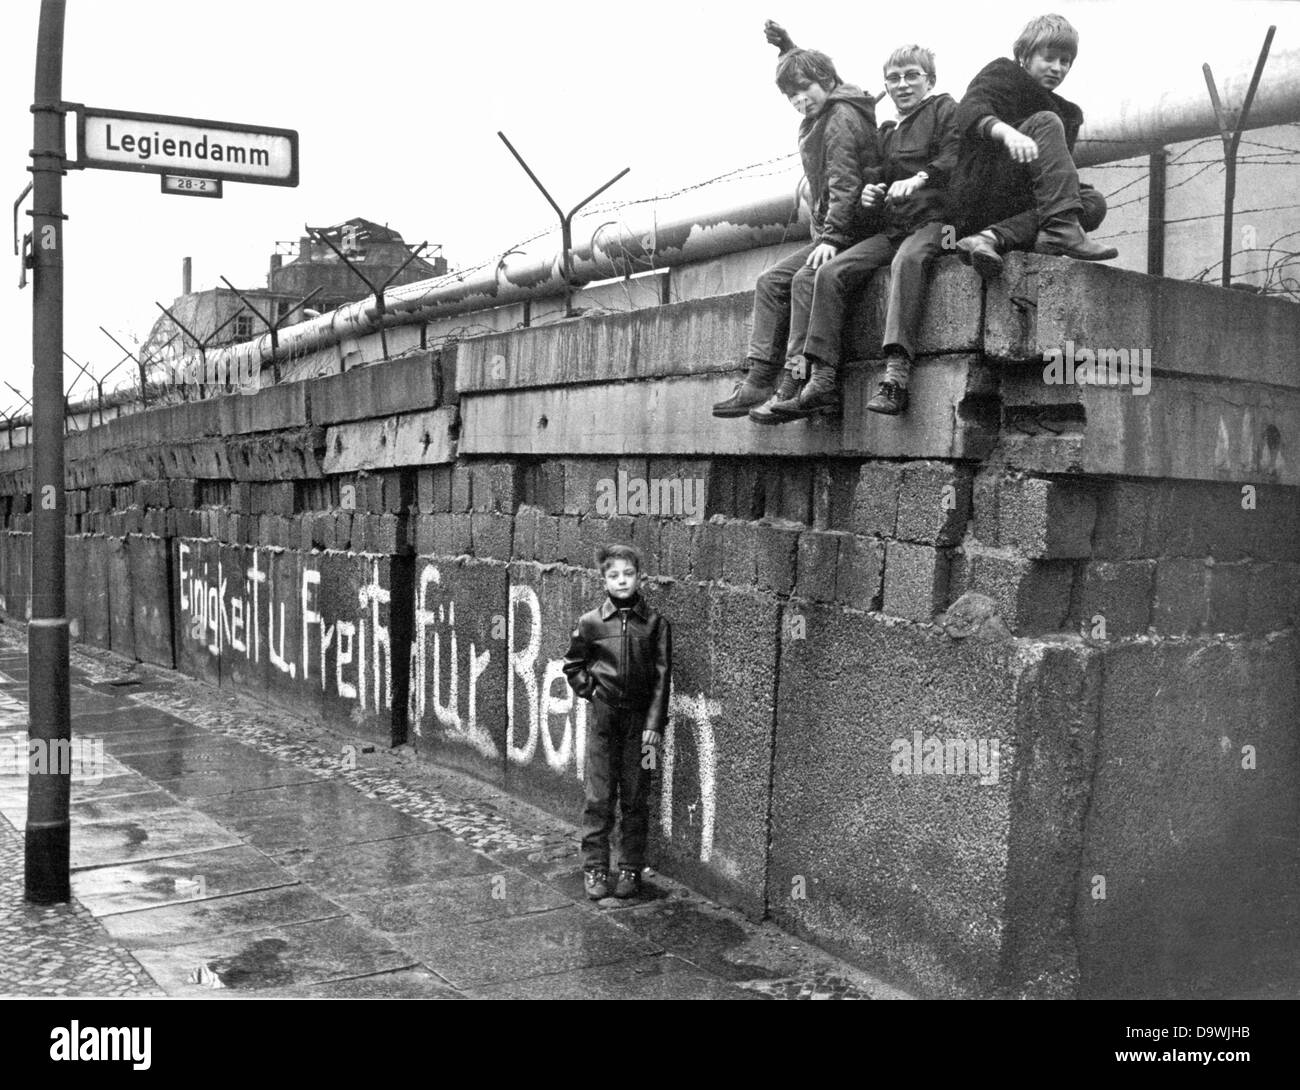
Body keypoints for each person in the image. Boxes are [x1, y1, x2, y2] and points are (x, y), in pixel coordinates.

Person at [712, 20, 880, 421]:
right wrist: (786, 48)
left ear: (826, 81)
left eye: (804, 90)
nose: (799, 100)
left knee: (792, 280)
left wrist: (832, 238)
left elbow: (845, 183)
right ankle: (761, 378)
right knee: (772, 282)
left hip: (854, 229)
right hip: (839, 228)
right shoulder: (831, 102)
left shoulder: (840, 117)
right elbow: (809, 68)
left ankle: (783, 380)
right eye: (791, 96)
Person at [950, 12, 1117, 280]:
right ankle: (1060, 230)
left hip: (1020, 206)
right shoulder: (1003, 73)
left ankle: (989, 238)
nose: (1057, 68)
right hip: (982, 191)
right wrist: (1006, 132)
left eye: (1065, 62)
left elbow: (1055, 180)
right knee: (1045, 122)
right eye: (1049, 58)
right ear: (1025, 56)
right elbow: (970, 109)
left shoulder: (1068, 112)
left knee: (1092, 202)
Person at [562, 544, 672, 901]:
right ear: (604, 580)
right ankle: (595, 867)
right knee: (599, 797)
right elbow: (573, 665)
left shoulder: (655, 624)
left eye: (628, 574)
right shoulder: (591, 623)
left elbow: (661, 678)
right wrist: (592, 693)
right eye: (614, 575)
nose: (621, 581)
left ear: (640, 576)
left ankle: (630, 867)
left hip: (640, 726)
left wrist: (653, 726)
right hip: (604, 724)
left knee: (636, 798)